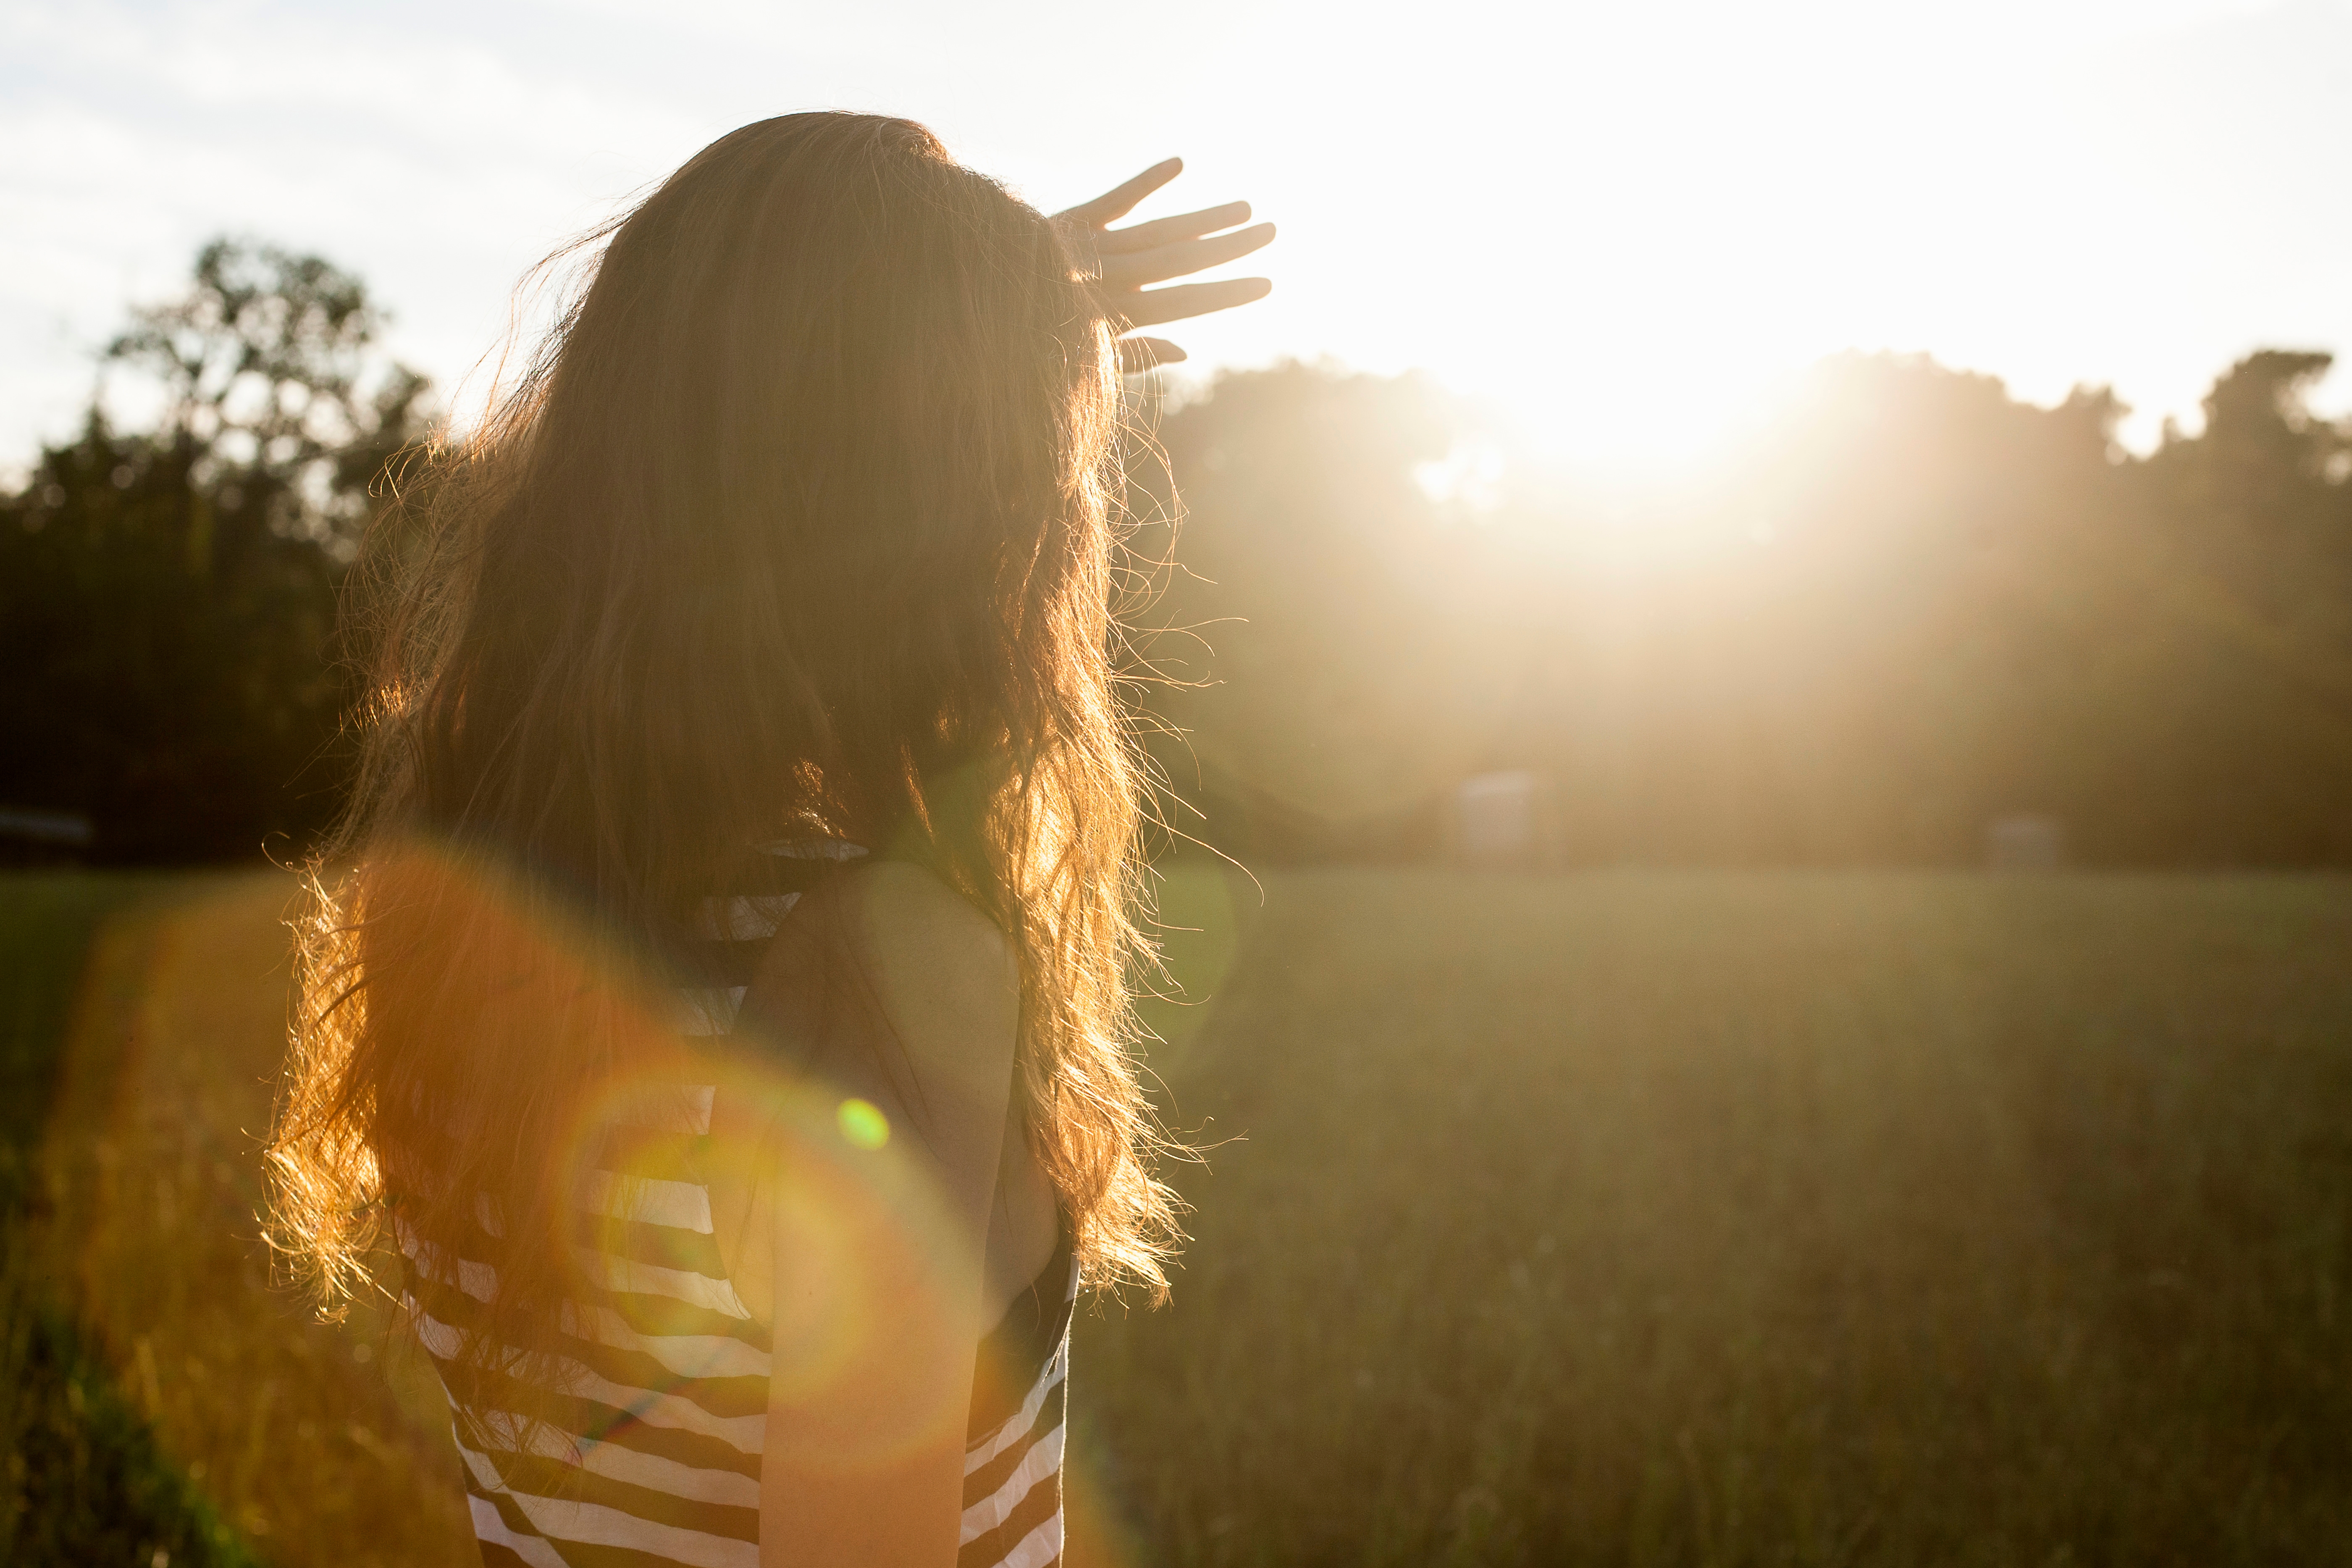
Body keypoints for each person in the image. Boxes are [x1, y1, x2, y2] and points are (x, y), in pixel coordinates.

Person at [268, 111, 1273, 1568]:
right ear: (970, 527)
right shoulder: (890, 971)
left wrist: (932, 317)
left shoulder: (463, 889)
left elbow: (697, 448)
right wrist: (952, 336)